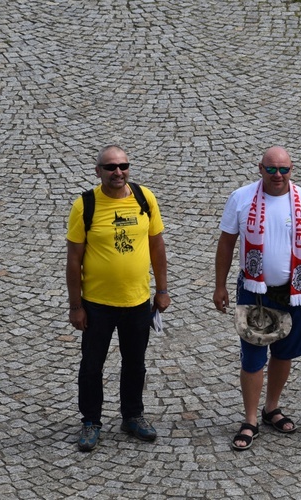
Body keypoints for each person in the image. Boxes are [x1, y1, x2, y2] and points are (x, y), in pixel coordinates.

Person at [213, 146, 301, 451]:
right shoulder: (241, 198)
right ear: (260, 169)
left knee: (284, 354)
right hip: (254, 291)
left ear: (292, 170)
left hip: (295, 292)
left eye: (284, 170)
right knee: (252, 358)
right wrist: (219, 286)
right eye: (272, 169)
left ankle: (271, 408)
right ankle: (250, 419)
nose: (278, 175)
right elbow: (226, 244)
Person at [66, 145, 171, 452]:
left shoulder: (144, 198)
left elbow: (157, 246)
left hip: (137, 301)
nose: (118, 172)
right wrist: (76, 306)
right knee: (92, 365)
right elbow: (74, 260)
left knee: (135, 364)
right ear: (97, 171)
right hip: (97, 304)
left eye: (123, 166)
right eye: (110, 167)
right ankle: (91, 421)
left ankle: (133, 415)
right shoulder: (84, 206)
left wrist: (162, 290)